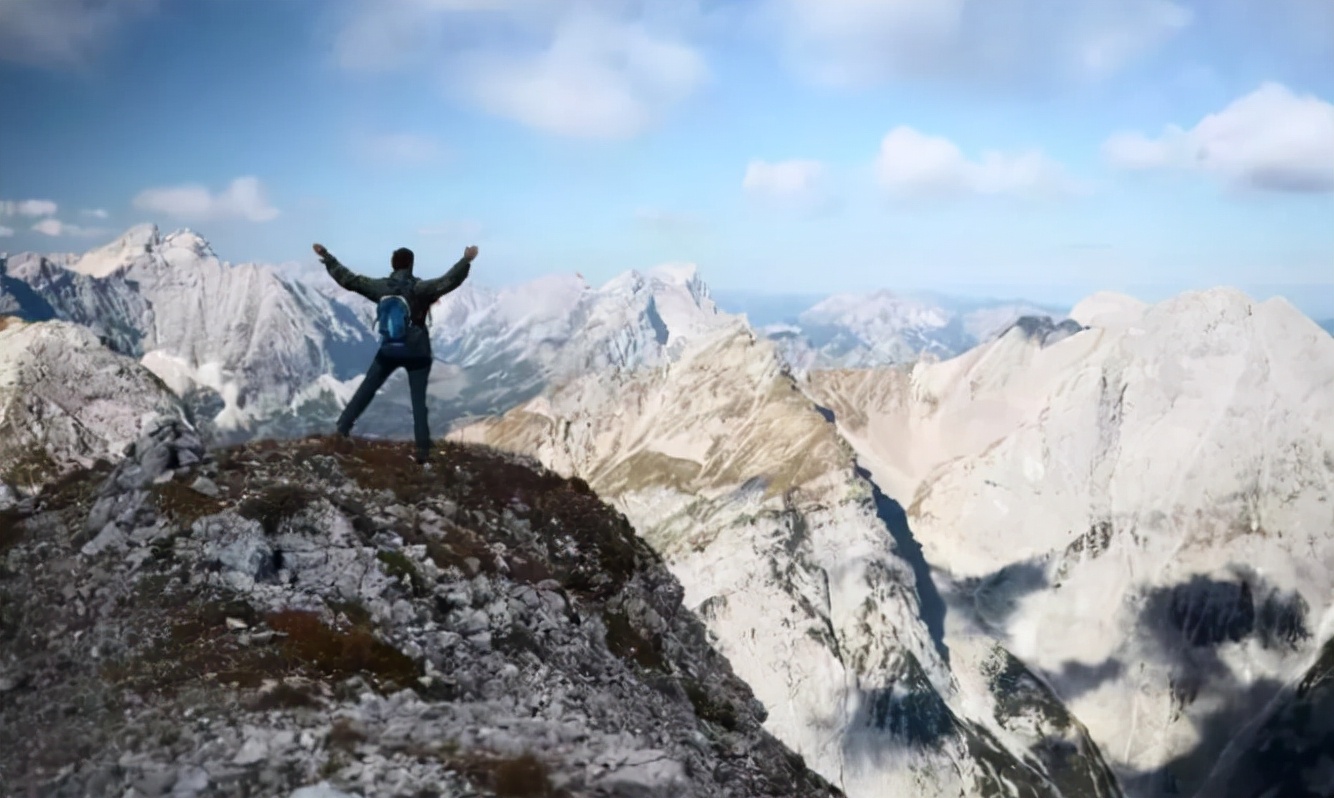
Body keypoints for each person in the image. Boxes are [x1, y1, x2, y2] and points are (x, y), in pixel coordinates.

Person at [312, 242, 479, 464]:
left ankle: (342, 428)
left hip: (390, 349)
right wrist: (466, 260)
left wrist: (327, 257)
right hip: (418, 352)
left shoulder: (380, 288)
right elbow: (448, 281)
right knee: (418, 402)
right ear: (411, 265)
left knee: (367, 389)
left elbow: (348, 280)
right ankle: (422, 451)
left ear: (393, 265)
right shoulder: (421, 289)